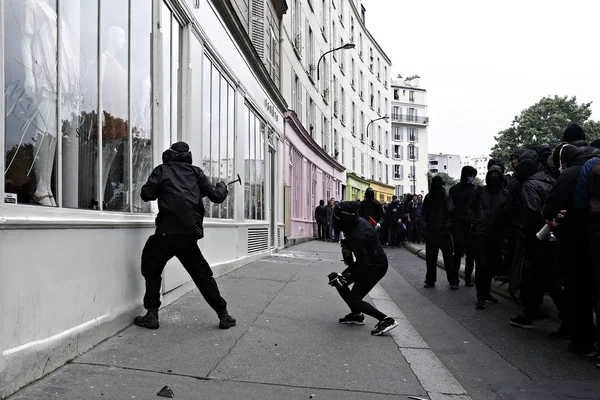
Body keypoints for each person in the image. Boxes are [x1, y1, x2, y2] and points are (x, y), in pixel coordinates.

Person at [133, 142, 236, 330]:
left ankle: (152, 314)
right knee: (202, 275)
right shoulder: (196, 173)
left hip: (165, 232)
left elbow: (147, 194)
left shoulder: (162, 170)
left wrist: (159, 187)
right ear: (187, 155)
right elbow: (217, 196)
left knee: (151, 268)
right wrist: (223, 186)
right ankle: (224, 315)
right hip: (188, 235)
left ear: (169, 154)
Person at [543, 143, 597, 354]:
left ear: (562, 162)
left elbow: (549, 207)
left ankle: (583, 341)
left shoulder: (569, 175)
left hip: (577, 241)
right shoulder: (594, 167)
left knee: (578, 291)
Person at [508, 152, 565, 330]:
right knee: (541, 277)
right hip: (555, 233)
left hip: (538, 237)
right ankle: (530, 312)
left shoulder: (529, 185)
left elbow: (532, 212)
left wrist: (524, 229)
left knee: (545, 278)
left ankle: (569, 319)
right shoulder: (549, 180)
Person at [328, 201, 398, 336]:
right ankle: (356, 315)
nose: (336, 220)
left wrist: (347, 276)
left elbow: (364, 264)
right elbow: (355, 260)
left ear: (345, 218)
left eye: (338, 217)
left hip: (375, 266)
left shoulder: (358, 235)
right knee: (338, 281)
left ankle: (385, 319)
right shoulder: (356, 224)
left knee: (354, 297)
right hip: (369, 262)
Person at [466, 165, 507, 310]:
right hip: (480, 234)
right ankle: (480, 296)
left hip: (496, 235)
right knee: (481, 265)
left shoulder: (504, 194)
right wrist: (475, 222)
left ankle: (486, 292)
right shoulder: (479, 191)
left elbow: (506, 214)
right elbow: (470, 208)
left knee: (490, 266)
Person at [422, 176, 456, 289]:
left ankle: (434, 280)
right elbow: (425, 213)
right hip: (437, 231)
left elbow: (450, 212)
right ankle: (451, 281)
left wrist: (447, 226)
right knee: (443, 258)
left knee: (441, 258)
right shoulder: (441, 196)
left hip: (439, 231)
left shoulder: (433, 196)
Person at [449, 166, 478, 287]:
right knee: (458, 251)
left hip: (470, 224)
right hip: (459, 224)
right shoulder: (454, 189)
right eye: (469, 175)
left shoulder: (475, 189)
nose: (471, 178)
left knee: (470, 253)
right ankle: (455, 279)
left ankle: (467, 278)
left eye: (472, 175)